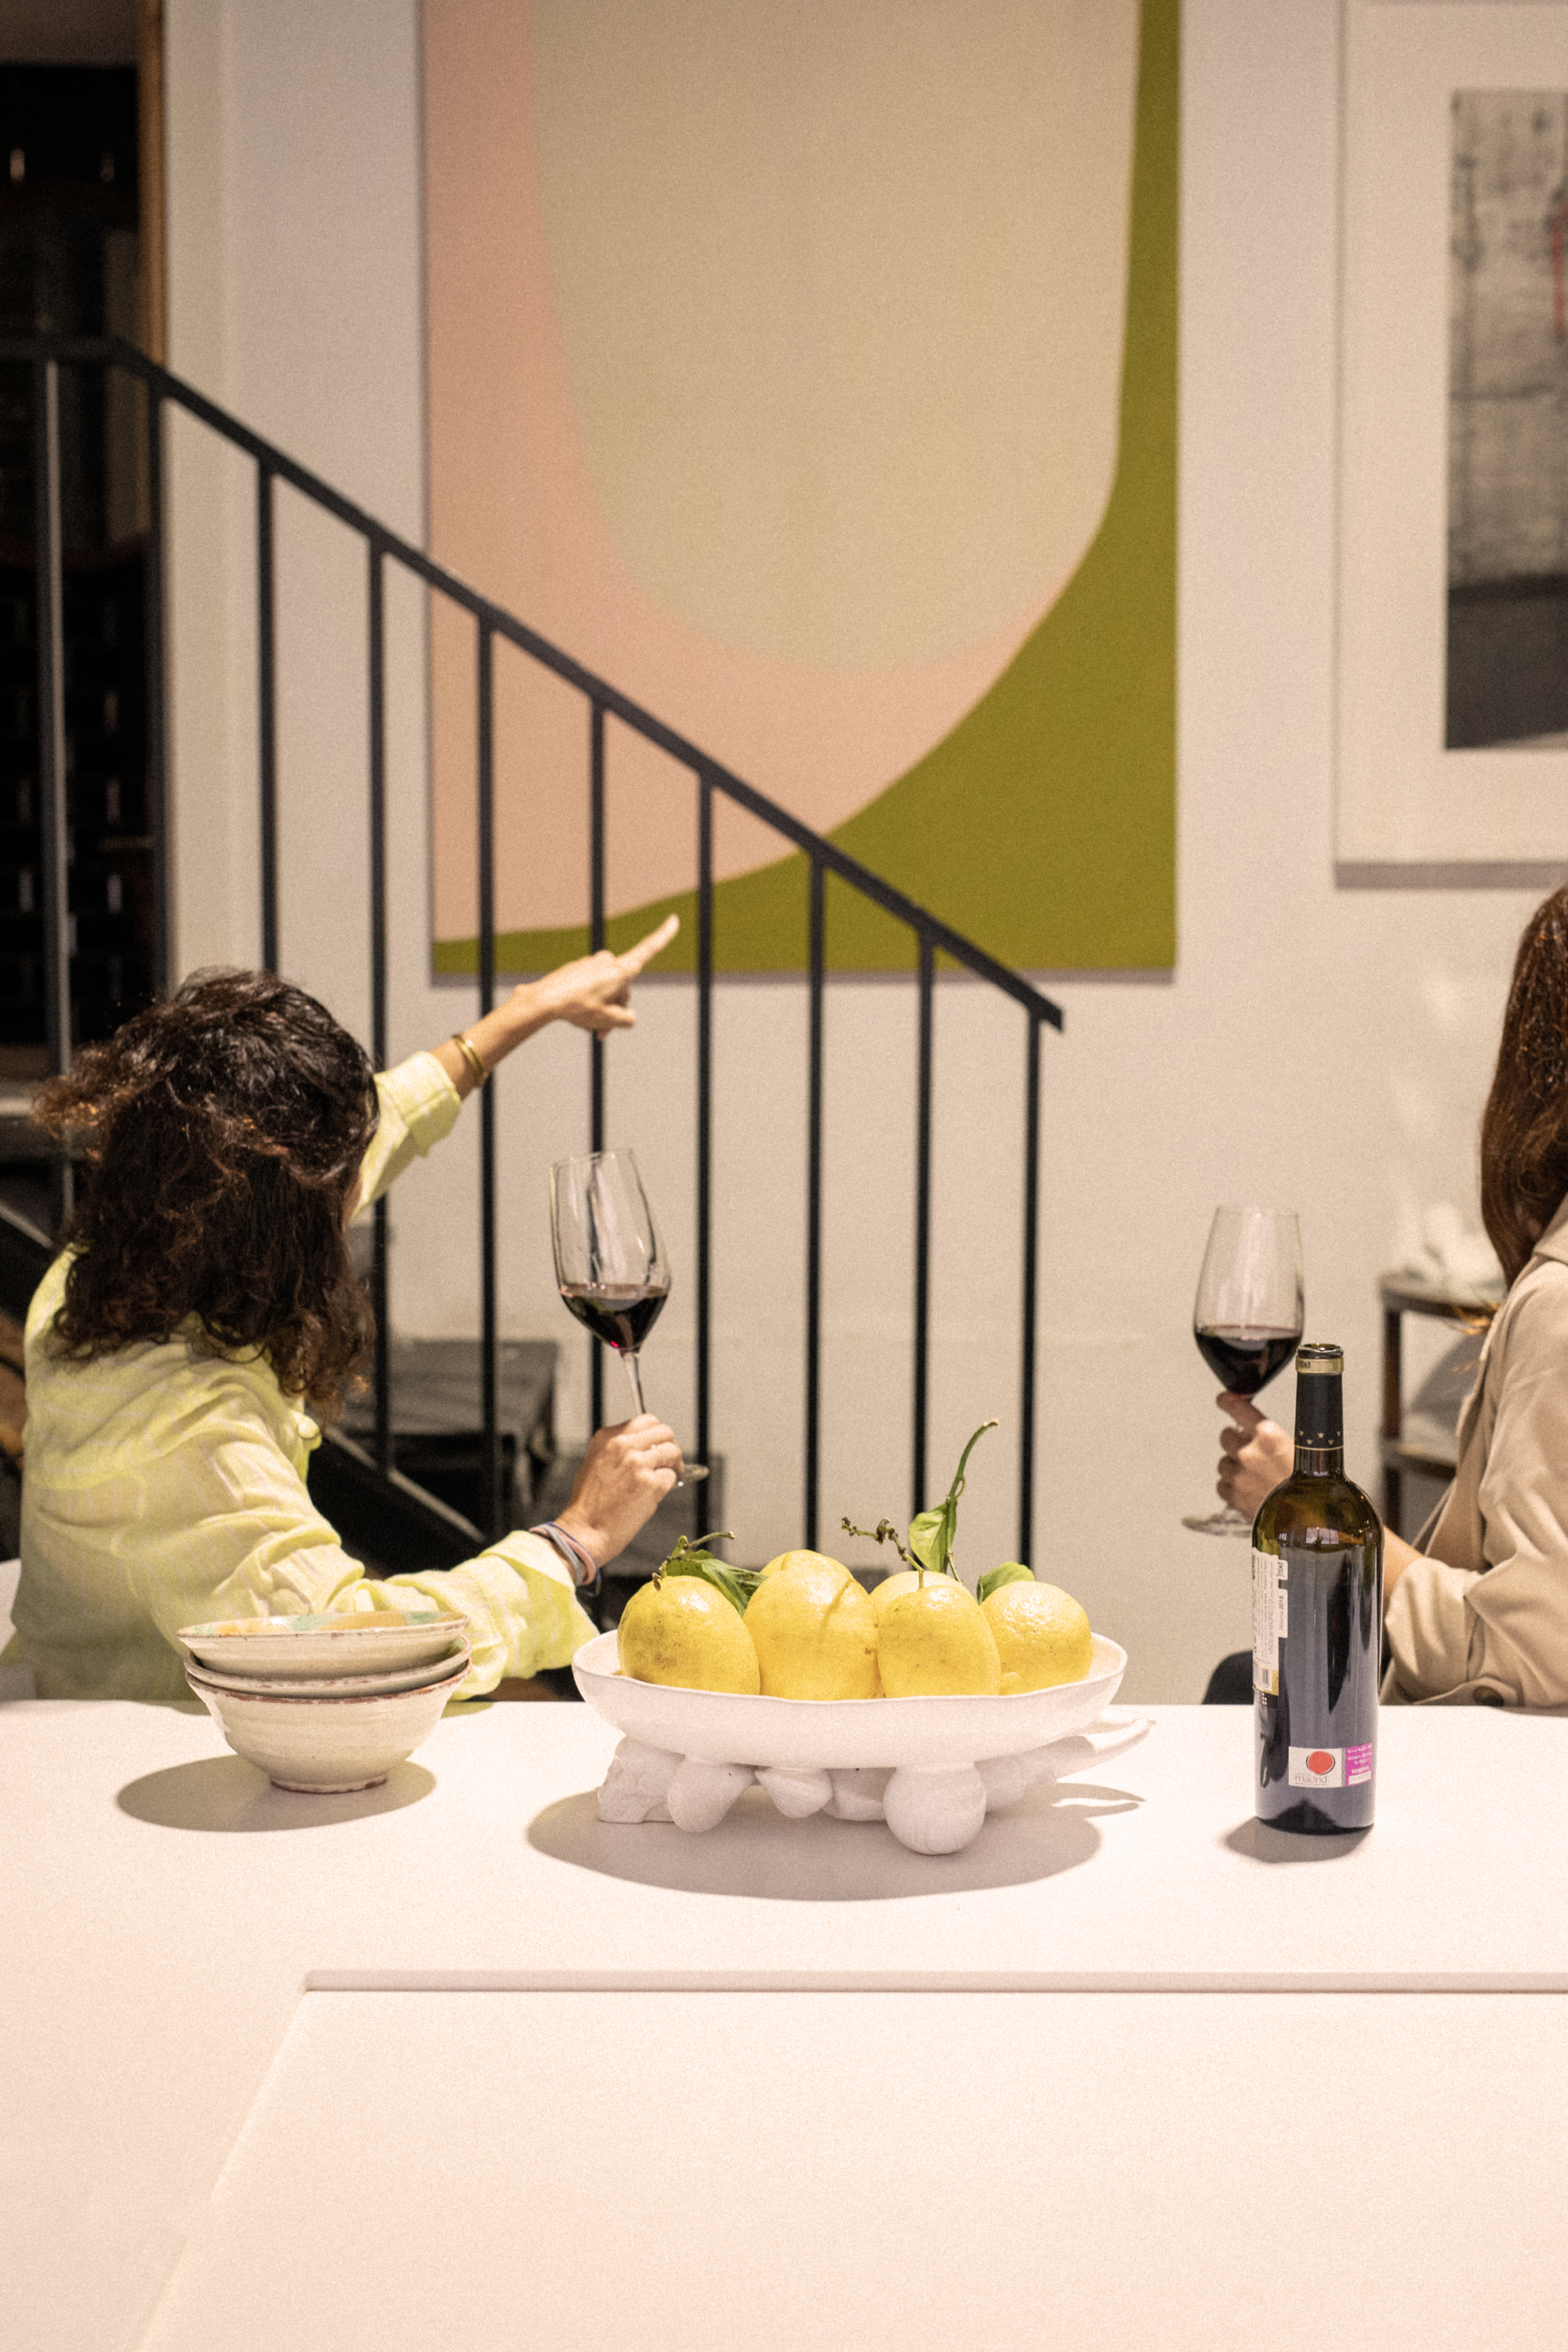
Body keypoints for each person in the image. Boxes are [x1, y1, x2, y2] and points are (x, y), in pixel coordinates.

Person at [2, 916, 685, 1703]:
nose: (359, 1184)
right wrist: (577, 1538)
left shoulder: (118, 1260)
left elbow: (386, 1118)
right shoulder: (191, 1428)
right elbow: (344, 1649)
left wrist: (529, 1009)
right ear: (287, 1217)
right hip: (148, 1735)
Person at [1213, 883, 1568, 1707]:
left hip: (1507, 1789)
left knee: (1243, 1686)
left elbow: (1532, 1658)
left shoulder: (1557, 1308)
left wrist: (1325, 1524)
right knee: (1240, 1674)